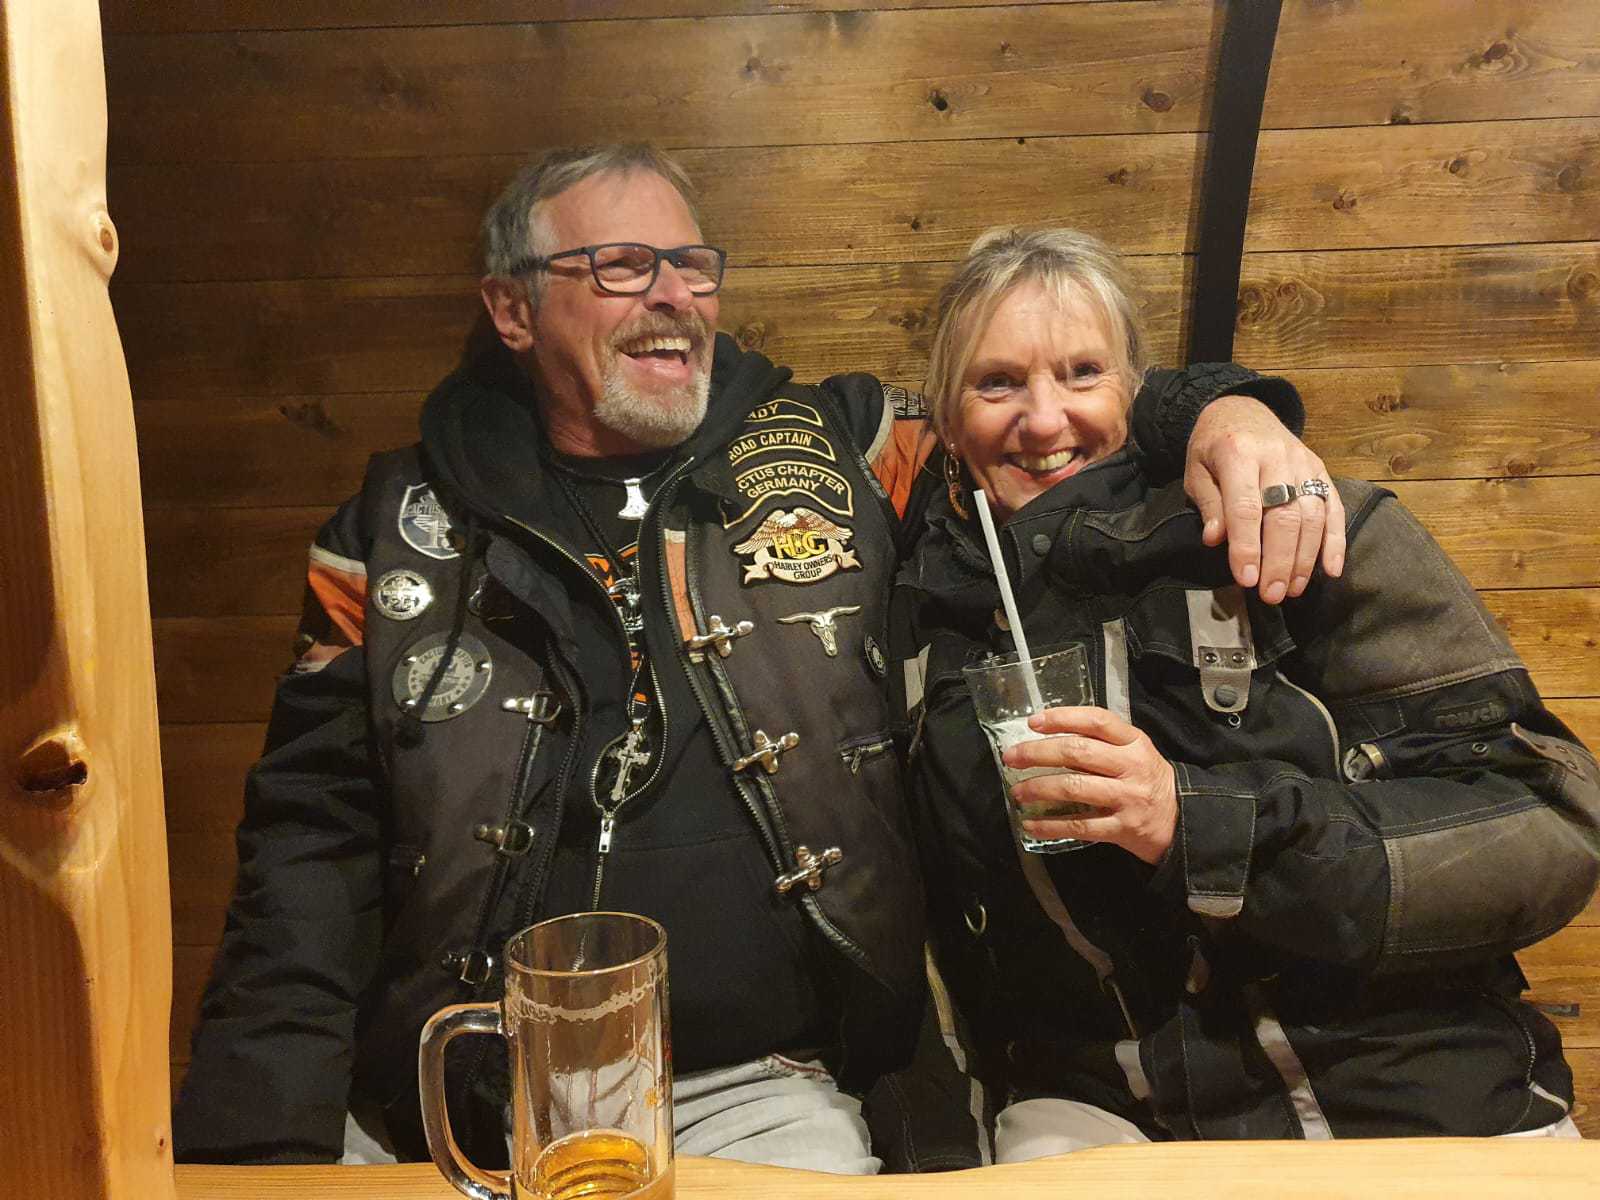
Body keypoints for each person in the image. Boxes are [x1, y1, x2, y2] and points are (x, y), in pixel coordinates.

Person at [172, 145, 1333, 1171]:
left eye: (693, 265)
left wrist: (1227, 412)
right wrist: (257, 1144)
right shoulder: (391, 535)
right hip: (452, 1089)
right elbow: (306, 853)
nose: (674, 296)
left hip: (765, 1094)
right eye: (622, 266)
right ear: (512, 310)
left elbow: (1043, 418)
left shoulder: (846, 447)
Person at [895, 225, 1600, 1157]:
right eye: (997, 383)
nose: (1045, 419)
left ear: (1137, 390)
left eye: (1082, 373)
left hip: (1412, 1091)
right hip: (1109, 1110)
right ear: (947, 419)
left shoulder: (1291, 526)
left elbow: (1550, 826)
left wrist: (1196, 823)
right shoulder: (921, 608)